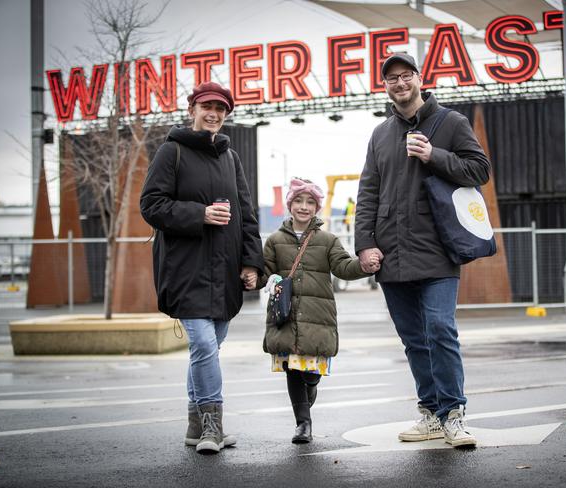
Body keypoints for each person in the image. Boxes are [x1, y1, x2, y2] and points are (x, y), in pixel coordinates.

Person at [354, 53, 491, 448]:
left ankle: (453, 414)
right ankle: (430, 413)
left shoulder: (450, 123)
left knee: (440, 330)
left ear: (419, 78)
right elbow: (368, 194)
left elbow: (479, 169)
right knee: (414, 339)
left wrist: (435, 156)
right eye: (391, 78)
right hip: (391, 255)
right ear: (385, 86)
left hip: (437, 251)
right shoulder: (380, 134)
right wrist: (365, 244)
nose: (399, 83)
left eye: (405, 75)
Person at [140, 81, 264, 454]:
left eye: (221, 109)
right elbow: (151, 205)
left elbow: (246, 213)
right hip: (186, 271)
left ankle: (195, 425)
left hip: (225, 272)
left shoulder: (231, 158)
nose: (214, 114)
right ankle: (213, 426)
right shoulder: (171, 151)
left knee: (207, 350)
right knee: (205, 347)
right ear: (192, 109)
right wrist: (200, 214)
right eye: (207, 106)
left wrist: (251, 262)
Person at [261, 177, 378, 443]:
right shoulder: (275, 240)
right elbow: (264, 273)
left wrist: (363, 265)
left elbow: (342, 267)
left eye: (310, 202)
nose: (303, 206)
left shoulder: (328, 240)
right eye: (299, 201)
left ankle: (311, 385)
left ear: (316, 207)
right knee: (293, 368)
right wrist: (250, 276)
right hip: (286, 316)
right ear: (290, 205)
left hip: (317, 315)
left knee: (311, 373)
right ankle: (303, 424)